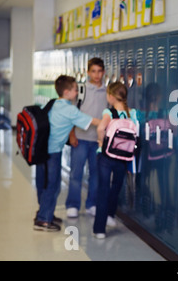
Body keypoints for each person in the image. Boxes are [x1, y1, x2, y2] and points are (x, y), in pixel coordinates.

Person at [34, 75, 100, 232]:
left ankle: (44, 213)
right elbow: (92, 122)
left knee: (43, 184)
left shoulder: (54, 103)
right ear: (67, 92)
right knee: (53, 186)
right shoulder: (70, 109)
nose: (77, 92)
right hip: (52, 153)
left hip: (41, 150)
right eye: (75, 90)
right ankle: (43, 220)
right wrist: (112, 120)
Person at [93, 82, 138, 239]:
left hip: (106, 156)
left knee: (103, 190)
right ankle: (110, 216)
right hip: (124, 156)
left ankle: (99, 229)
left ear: (111, 96)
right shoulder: (131, 112)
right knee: (116, 186)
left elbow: (100, 128)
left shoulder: (109, 112)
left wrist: (100, 141)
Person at [65, 58, 108, 218]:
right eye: (93, 71)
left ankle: (92, 204)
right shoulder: (81, 90)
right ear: (88, 72)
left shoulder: (107, 91)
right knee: (76, 173)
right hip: (80, 138)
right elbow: (71, 114)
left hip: (98, 141)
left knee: (96, 174)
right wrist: (71, 135)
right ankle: (73, 205)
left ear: (103, 72)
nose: (97, 75)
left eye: (99, 71)